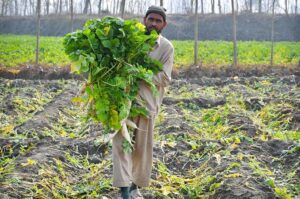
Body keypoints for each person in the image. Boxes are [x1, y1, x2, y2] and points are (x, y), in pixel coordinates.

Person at [112, 5, 174, 199]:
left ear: (164, 24)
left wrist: (140, 73)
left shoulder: (166, 48)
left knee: (141, 149)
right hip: (124, 103)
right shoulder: (131, 42)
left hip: (147, 104)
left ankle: (134, 186)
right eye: (151, 19)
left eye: (158, 20)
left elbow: (164, 77)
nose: (154, 23)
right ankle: (124, 192)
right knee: (120, 146)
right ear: (144, 20)